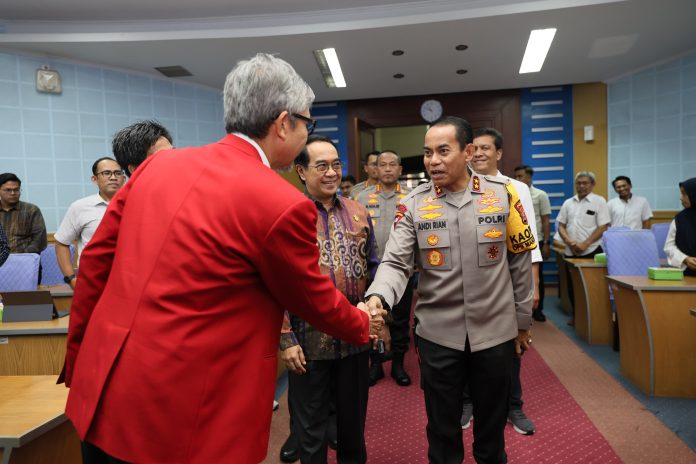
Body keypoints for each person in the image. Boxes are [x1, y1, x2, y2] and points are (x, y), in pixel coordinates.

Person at [60, 53, 385, 464]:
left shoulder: (157, 166)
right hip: (184, 417)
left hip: (105, 391)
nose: (307, 133)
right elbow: (312, 298)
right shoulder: (281, 202)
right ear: (283, 123)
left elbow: (94, 264)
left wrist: (80, 358)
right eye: (307, 123)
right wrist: (362, 322)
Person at [365, 116, 535, 464]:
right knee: (442, 430)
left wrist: (522, 322)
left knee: (491, 428)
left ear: (468, 151)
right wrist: (377, 297)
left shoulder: (504, 195)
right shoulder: (413, 204)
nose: (433, 161)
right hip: (439, 336)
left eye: (443, 151)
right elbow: (396, 263)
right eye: (428, 153)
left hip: (495, 332)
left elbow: (519, 261)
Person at [280, 135, 379, 464]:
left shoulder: (359, 212)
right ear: (301, 171)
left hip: (354, 339)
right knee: (311, 434)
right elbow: (275, 283)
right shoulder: (286, 217)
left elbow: (375, 267)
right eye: (321, 165)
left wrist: (377, 311)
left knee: (353, 431)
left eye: (336, 165)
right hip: (307, 345)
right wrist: (286, 338)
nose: (331, 172)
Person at [465, 131, 541, 437]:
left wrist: (532, 285)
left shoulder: (516, 188)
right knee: (467, 346)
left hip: (508, 281)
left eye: (486, 148)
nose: (480, 153)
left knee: (512, 346)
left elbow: (528, 241)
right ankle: (467, 402)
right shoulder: (459, 186)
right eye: (475, 148)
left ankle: (513, 405)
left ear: (499, 153)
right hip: (471, 283)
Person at [356, 150, 414, 387]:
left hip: (402, 272)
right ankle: (376, 364)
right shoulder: (360, 198)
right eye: (383, 165)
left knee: (400, 320)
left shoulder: (412, 197)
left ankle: (399, 365)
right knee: (373, 319)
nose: (388, 169)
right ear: (375, 170)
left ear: (400, 170)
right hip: (371, 272)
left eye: (393, 164)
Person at [54, 157, 126, 289]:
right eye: (106, 173)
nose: (113, 177)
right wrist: (71, 278)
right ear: (94, 179)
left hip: (128, 280)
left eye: (118, 173)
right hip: (92, 281)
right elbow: (62, 244)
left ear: (124, 179)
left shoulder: (136, 205)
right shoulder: (80, 207)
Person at [556, 171, 610, 325]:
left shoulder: (599, 201)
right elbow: (561, 225)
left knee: (592, 288)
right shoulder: (568, 203)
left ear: (592, 185)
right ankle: (576, 316)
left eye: (585, 183)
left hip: (591, 251)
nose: (581, 186)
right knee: (573, 287)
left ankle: (593, 318)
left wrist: (584, 244)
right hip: (570, 251)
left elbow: (603, 227)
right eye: (578, 183)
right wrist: (570, 242)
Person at [514, 165, 552, 322]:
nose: (517, 179)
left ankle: (538, 310)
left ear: (529, 177)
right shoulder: (513, 191)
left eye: (520, 176)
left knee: (538, 277)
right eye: (516, 176)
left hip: (537, 239)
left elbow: (545, 220)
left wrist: (546, 243)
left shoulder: (540, 195)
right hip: (519, 241)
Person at [0, 173, 47, 254]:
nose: (12, 193)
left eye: (16, 190)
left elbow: (39, 241)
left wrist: (21, 257)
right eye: (8, 190)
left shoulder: (31, 210)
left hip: (26, 261)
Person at [664, 177, 696, 276]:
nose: (681, 198)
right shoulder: (679, 219)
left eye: (684, 194)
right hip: (686, 275)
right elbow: (669, 246)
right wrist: (685, 259)